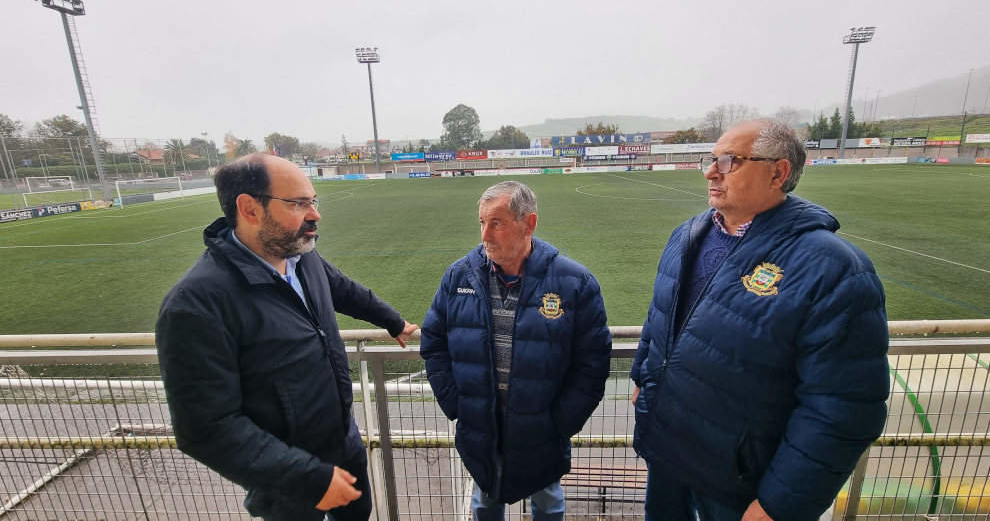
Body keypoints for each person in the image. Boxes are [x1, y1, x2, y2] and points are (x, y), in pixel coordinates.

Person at [630, 120, 890, 521]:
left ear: (778, 172)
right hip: (668, 456)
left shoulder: (834, 268)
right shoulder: (687, 234)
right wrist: (641, 376)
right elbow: (661, 313)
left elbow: (843, 407)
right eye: (711, 159)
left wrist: (778, 505)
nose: (711, 172)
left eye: (730, 161)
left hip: (741, 486)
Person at [155, 153, 418, 521]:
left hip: (344, 442)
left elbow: (340, 286)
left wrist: (392, 321)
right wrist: (309, 477)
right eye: (298, 204)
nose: (314, 214)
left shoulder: (300, 254)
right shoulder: (196, 305)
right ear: (249, 208)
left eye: (313, 201)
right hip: (286, 480)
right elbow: (205, 428)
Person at [420, 181, 612, 520]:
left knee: (548, 503)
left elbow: (592, 364)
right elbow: (433, 344)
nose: (485, 235)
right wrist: (458, 405)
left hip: (542, 433)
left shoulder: (575, 283)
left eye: (496, 222)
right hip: (482, 429)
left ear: (529, 223)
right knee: (484, 503)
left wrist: (560, 423)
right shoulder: (458, 277)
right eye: (481, 222)